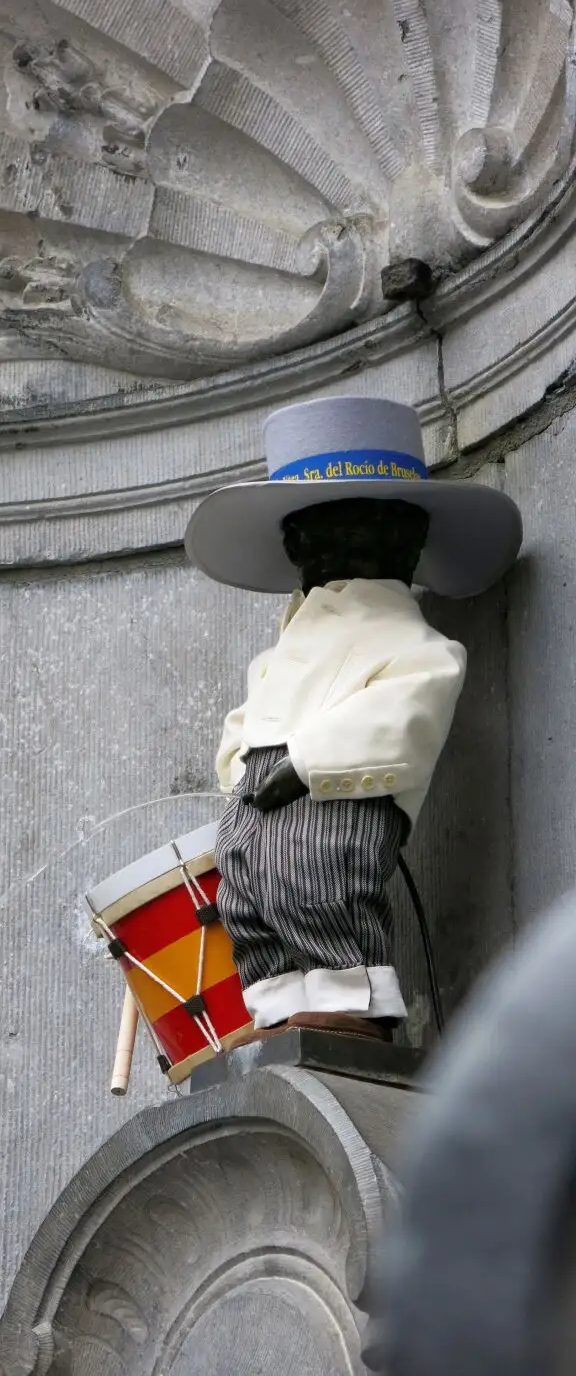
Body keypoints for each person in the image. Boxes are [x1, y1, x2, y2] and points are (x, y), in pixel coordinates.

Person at [185, 396, 522, 1040]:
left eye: (360, 537)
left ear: (400, 544)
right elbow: (246, 715)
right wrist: (237, 774)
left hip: (332, 788)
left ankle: (347, 998)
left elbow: (404, 711)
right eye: (323, 542)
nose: (342, 556)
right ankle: (279, 1000)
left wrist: (309, 762)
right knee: (249, 898)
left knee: (321, 883)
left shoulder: (411, 641)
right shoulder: (282, 650)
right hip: (259, 789)